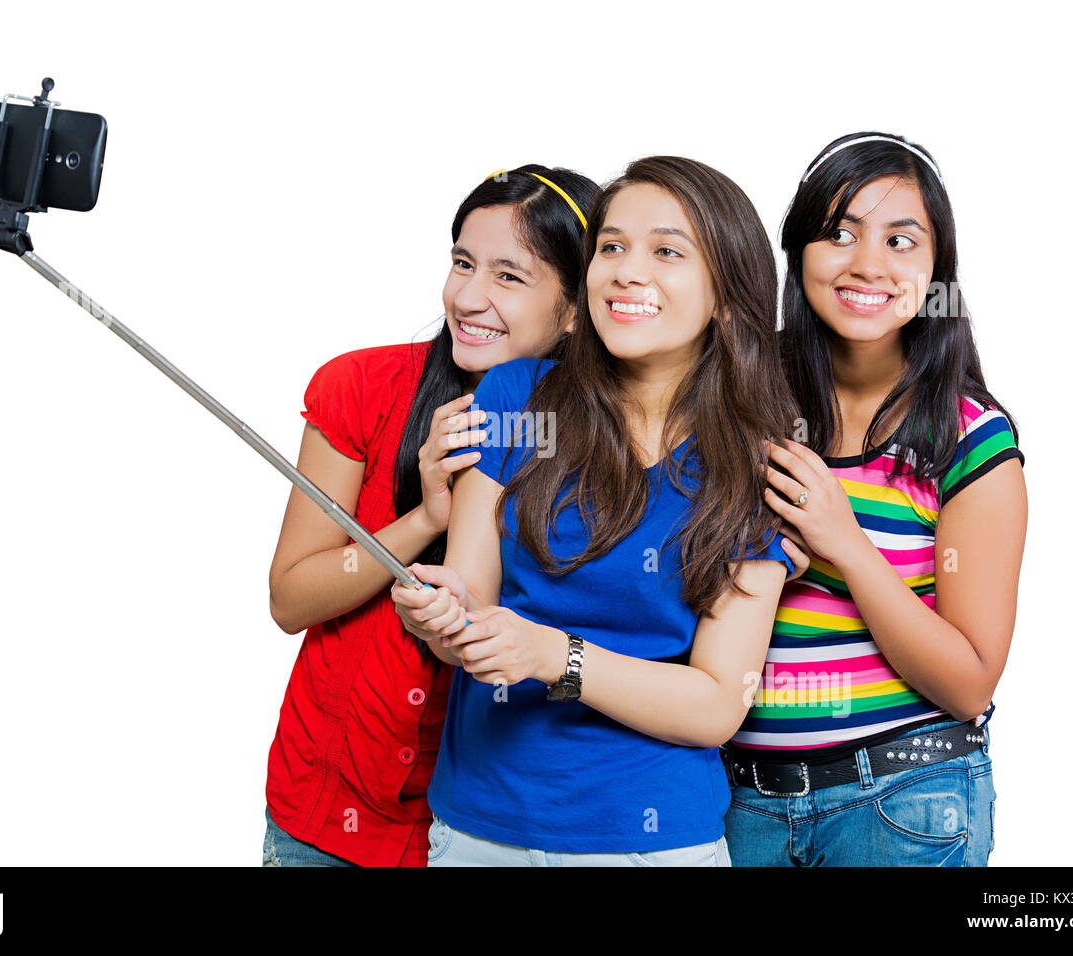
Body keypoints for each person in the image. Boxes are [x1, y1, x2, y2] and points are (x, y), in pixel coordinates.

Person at [391, 156, 809, 866]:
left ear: (728, 297)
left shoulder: (754, 466)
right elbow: (467, 609)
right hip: (478, 828)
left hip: (653, 839)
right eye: (611, 246)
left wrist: (557, 655)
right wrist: (440, 614)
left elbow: (715, 704)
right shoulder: (516, 396)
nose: (625, 270)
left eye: (667, 251)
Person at [263, 165, 598, 866]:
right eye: (462, 264)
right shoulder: (360, 386)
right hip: (326, 814)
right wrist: (424, 519)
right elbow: (292, 597)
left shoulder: (612, 442)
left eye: (510, 276)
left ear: (574, 308)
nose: (469, 297)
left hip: (484, 827)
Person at [722, 132, 1027, 867]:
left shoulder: (968, 437)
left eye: (901, 240)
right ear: (799, 252)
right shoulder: (745, 401)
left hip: (901, 802)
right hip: (739, 803)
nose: (868, 264)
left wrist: (846, 545)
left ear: (936, 268)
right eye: (839, 234)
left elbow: (968, 682)